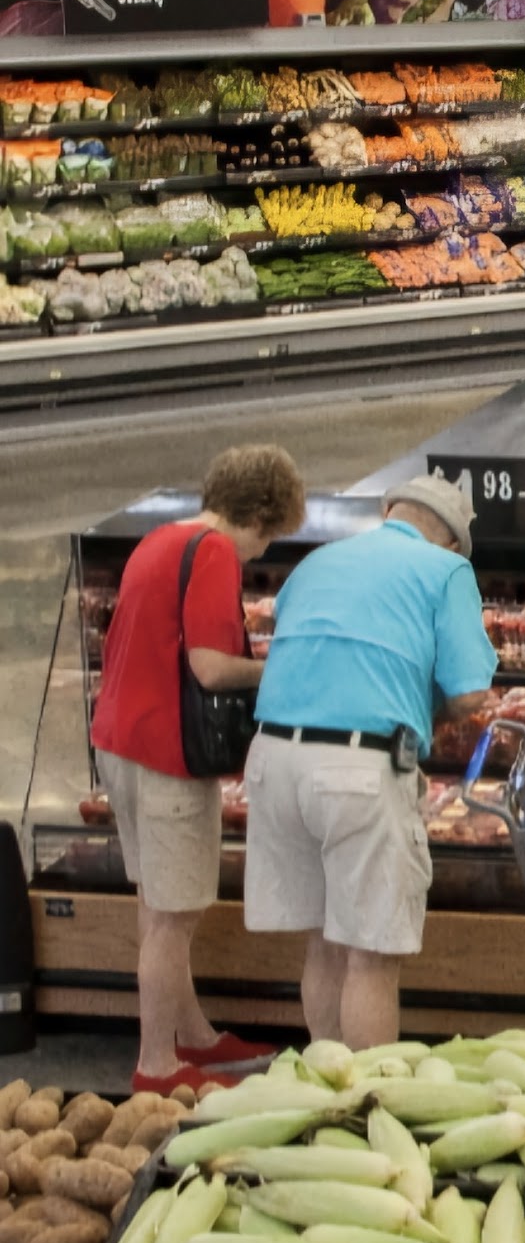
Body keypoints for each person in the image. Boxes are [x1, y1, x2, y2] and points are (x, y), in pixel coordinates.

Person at [245, 474, 496, 1049]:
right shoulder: (446, 570)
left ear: (388, 512)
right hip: (357, 771)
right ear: (452, 543)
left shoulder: (316, 561)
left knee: (323, 944)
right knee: (371, 957)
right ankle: (369, 1094)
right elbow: (469, 695)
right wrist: (422, 708)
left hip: (272, 761)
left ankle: (323, 1082)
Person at [90, 446, 307, 1094]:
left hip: (119, 739)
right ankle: (156, 1062)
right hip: (168, 753)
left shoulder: (160, 540)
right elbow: (210, 668)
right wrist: (283, 667)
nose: (262, 550)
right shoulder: (213, 553)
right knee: (174, 916)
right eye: (270, 536)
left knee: (155, 902)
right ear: (261, 515)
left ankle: (191, 1035)